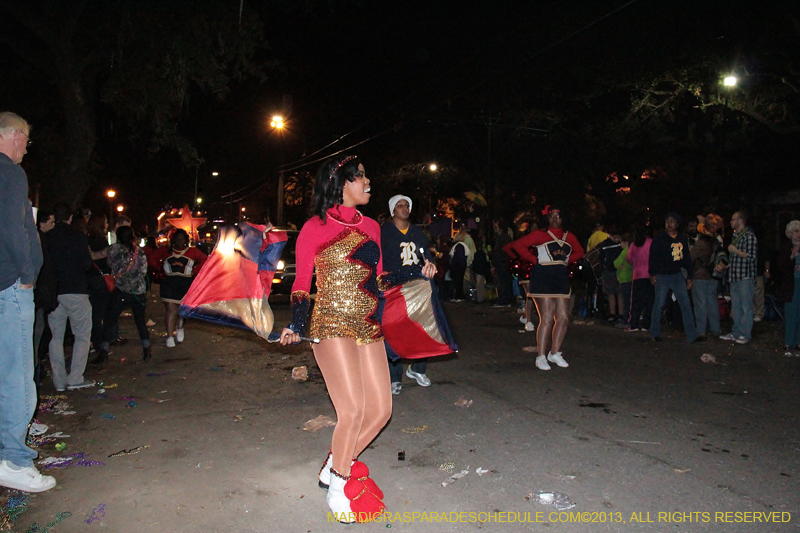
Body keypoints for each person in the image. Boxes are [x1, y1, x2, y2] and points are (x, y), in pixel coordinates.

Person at [280, 156, 390, 523]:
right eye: (361, 176)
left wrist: (415, 271)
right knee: (353, 411)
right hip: (330, 323)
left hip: (368, 324)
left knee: (381, 412)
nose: (368, 180)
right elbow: (301, 285)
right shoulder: (315, 227)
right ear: (343, 184)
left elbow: (380, 279)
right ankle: (339, 486)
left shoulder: (373, 226)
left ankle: (334, 463)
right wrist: (297, 323)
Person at [0, 111, 56, 493]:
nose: (25, 148)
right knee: (18, 376)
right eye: (25, 140)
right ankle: (14, 460)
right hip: (10, 288)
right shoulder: (9, 172)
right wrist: (26, 275)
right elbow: (10, 227)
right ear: (14, 135)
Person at [505, 206, 585, 370]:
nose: (555, 219)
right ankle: (541, 356)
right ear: (546, 219)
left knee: (563, 317)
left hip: (561, 278)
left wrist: (566, 260)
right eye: (551, 216)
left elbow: (580, 252)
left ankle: (555, 353)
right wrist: (534, 260)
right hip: (543, 277)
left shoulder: (569, 236)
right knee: (547, 318)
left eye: (558, 216)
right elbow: (518, 245)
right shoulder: (539, 235)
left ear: (563, 218)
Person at [381, 195, 437, 395]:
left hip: (416, 287)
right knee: (393, 330)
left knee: (420, 327)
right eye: (399, 205)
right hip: (393, 288)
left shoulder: (417, 233)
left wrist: (430, 266)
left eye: (407, 205)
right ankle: (394, 377)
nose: (404, 208)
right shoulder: (383, 233)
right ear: (392, 210)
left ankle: (417, 368)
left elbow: (425, 256)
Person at [45, 202, 97, 391]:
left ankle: (59, 380)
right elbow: (86, 264)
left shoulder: (47, 237)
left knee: (56, 337)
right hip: (76, 290)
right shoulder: (77, 237)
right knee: (82, 336)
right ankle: (75, 377)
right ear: (69, 218)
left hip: (54, 292)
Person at [95, 226, 151, 363]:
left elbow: (97, 256)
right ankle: (147, 350)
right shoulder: (139, 252)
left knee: (109, 320)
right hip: (138, 291)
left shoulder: (113, 249)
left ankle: (103, 351)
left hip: (121, 290)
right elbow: (144, 271)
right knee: (140, 322)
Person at [148, 229, 207, 347]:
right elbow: (151, 258)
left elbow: (205, 260)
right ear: (173, 240)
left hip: (185, 283)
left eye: (182, 239)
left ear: (186, 240)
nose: (180, 241)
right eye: (177, 239)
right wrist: (160, 268)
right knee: (170, 310)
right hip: (168, 283)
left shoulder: (193, 251)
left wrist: (194, 270)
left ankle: (180, 327)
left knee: (181, 311)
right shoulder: (165, 251)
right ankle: (169, 337)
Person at [648, 213, 701, 343]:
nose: (669, 224)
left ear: (677, 224)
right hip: (662, 275)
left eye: (672, 221)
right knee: (659, 304)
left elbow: (686, 258)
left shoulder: (681, 239)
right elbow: (653, 256)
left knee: (685, 304)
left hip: (677, 274)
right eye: (667, 221)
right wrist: (653, 274)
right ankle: (654, 332)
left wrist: (689, 276)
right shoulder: (660, 238)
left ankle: (692, 335)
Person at [719, 211, 757, 344]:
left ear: (740, 220)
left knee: (746, 307)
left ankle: (745, 334)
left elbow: (752, 257)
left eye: (733, 219)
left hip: (745, 277)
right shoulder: (736, 236)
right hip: (734, 276)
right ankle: (736, 332)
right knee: (736, 307)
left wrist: (736, 251)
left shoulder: (748, 236)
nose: (731, 222)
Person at [690, 214, 726, 337]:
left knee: (700, 304)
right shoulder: (716, 243)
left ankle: (700, 330)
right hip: (712, 276)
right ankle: (715, 328)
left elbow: (690, 258)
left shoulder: (700, 244)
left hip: (699, 276)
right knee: (712, 303)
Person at [776, 220, 800, 355]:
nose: (798, 235)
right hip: (791, 286)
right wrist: (791, 257)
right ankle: (788, 342)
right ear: (790, 233)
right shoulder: (786, 248)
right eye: (796, 232)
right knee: (791, 313)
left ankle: (798, 342)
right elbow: (781, 266)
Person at [625, 227, 654, 332]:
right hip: (650, 275)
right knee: (649, 301)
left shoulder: (634, 245)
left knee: (636, 301)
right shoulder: (650, 243)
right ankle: (647, 324)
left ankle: (634, 324)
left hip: (637, 275)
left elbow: (629, 259)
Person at [598, 227, 623, 323]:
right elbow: (601, 258)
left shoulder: (621, 245)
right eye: (615, 238)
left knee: (620, 293)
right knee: (611, 293)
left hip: (619, 271)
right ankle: (613, 314)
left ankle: (620, 314)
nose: (616, 240)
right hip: (608, 272)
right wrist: (604, 267)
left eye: (618, 238)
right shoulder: (605, 245)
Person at [491, 219, 514, 306]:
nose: (495, 228)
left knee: (502, 282)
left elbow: (499, 253)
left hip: (502, 264)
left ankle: (504, 300)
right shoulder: (503, 238)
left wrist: (496, 264)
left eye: (496, 225)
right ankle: (506, 299)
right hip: (504, 264)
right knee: (505, 282)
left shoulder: (502, 238)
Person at [613, 232, 633, 328]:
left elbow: (616, 263)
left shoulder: (625, 251)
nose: (620, 244)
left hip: (624, 279)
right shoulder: (631, 250)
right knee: (628, 300)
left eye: (621, 242)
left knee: (626, 301)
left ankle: (626, 320)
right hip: (629, 277)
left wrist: (618, 265)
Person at [448, 229, 471, 302]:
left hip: (458, 267)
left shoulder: (459, 246)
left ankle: (459, 297)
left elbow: (457, 257)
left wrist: (453, 265)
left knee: (458, 282)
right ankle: (459, 296)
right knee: (459, 282)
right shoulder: (463, 246)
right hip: (461, 266)